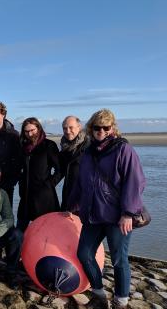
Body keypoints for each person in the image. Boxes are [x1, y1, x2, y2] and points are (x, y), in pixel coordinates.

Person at [65, 109, 145, 309]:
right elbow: (81, 182)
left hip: (118, 217)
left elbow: (135, 182)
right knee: (84, 253)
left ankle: (121, 300)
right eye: (96, 127)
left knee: (119, 260)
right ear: (90, 129)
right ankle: (99, 295)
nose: (101, 131)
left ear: (112, 129)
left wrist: (128, 213)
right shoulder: (89, 152)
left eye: (105, 127)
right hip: (93, 215)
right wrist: (70, 207)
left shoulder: (123, 150)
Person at [17, 117, 61, 231]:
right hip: (25, 195)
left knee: (46, 230)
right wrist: (20, 181)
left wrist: (49, 184)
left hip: (44, 197)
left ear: (39, 128)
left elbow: (59, 169)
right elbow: (18, 168)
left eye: (32, 130)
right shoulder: (22, 147)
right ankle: (18, 249)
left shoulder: (49, 146)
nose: (30, 134)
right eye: (26, 131)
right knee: (20, 230)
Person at [59, 116, 89, 211]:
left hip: (85, 198)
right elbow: (60, 170)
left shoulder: (89, 146)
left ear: (79, 127)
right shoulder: (65, 147)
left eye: (71, 127)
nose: (67, 131)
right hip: (68, 194)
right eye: (65, 128)